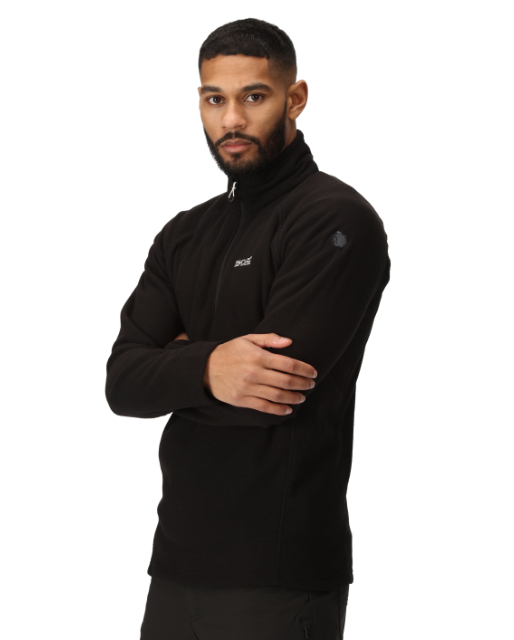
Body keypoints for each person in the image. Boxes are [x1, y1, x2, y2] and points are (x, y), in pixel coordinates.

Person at [105, 17, 391, 640]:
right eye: (215, 100)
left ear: (295, 98)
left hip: (279, 575)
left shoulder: (336, 220)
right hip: (176, 565)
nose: (231, 119)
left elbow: (274, 391)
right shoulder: (184, 233)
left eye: (253, 97)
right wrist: (213, 368)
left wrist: (174, 366)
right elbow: (122, 382)